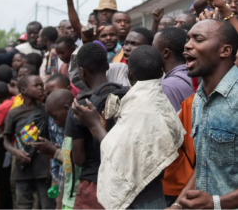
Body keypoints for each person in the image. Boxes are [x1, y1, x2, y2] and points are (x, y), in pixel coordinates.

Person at [73, 46, 185, 209]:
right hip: (154, 196)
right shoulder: (157, 99)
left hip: (141, 201)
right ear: (161, 72)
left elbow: (120, 158)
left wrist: (95, 124)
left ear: (130, 73)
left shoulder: (141, 106)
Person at [167, 19, 238, 210]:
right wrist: (177, 205)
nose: (187, 45)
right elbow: (205, 164)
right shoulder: (198, 100)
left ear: (225, 51)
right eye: (188, 39)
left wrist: (217, 204)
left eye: (198, 39)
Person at [64, 43, 128, 209]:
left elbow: (79, 159)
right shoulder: (130, 95)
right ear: (107, 66)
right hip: (128, 181)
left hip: (95, 182)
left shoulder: (79, 106)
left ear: (82, 72)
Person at [3, 75, 55, 210]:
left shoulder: (46, 110)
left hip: (43, 170)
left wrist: (51, 165)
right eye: (36, 85)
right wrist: (16, 152)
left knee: (47, 205)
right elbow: (6, 140)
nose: (40, 88)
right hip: (22, 169)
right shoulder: (14, 113)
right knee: (23, 205)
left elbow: (52, 138)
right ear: (24, 90)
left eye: (41, 85)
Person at [152, 27, 195, 112]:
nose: (151, 52)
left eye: (153, 48)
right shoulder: (195, 77)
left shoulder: (166, 86)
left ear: (165, 53)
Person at [0, 82, 14, 210]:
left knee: (3, 179)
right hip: (12, 144)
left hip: (4, 144)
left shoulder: (1, 108)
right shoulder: (13, 101)